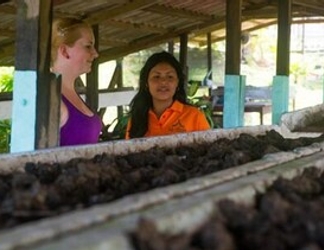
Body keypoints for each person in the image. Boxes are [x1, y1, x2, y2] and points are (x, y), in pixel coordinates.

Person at [125, 51, 210, 139]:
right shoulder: (137, 119)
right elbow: (128, 151)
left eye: (170, 77)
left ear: (177, 82)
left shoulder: (195, 116)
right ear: (146, 83)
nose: (163, 82)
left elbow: (210, 151)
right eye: (156, 77)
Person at [51, 17, 102, 146]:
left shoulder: (67, 93)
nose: (95, 53)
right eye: (88, 46)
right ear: (64, 51)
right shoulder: (50, 98)